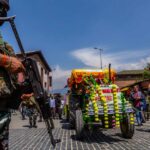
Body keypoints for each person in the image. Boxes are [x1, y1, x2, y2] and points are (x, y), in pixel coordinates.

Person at [0, 1, 25, 149]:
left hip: (3, 106)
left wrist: (20, 91)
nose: (3, 13)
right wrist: (6, 61)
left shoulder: (5, 43)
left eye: (5, 9)